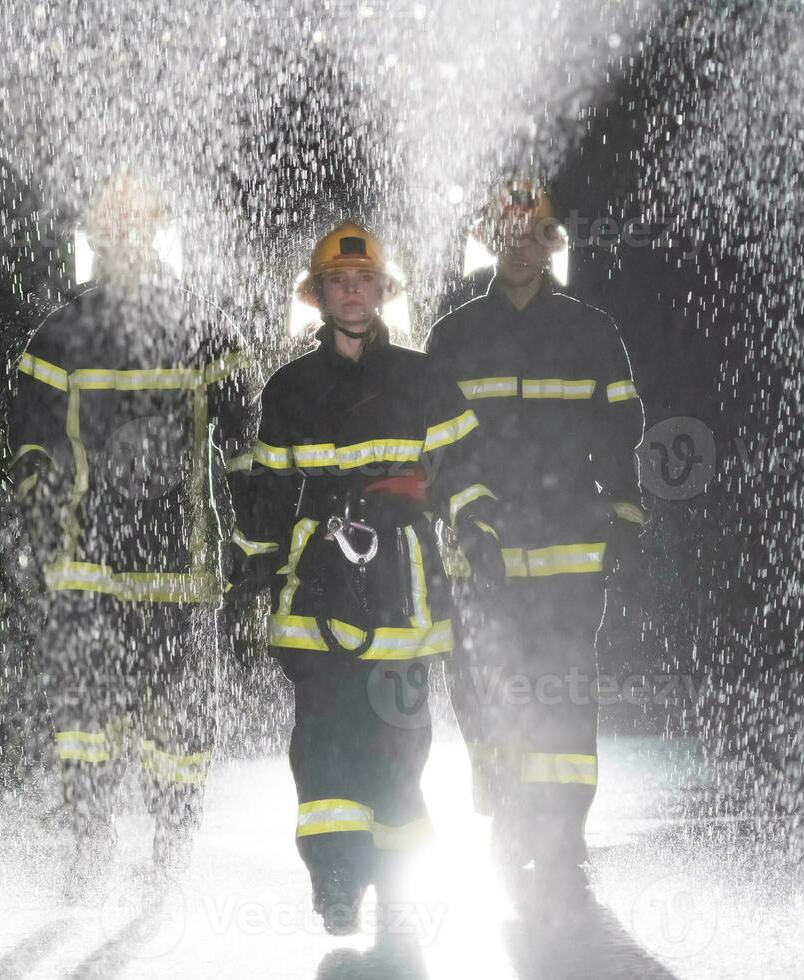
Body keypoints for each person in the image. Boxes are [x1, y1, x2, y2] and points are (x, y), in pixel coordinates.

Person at [232, 220, 502, 935]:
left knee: (400, 749)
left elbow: (464, 474)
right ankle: (338, 885)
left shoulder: (423, 378)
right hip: (317, 588)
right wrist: (250, 574)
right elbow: (265, 496)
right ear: (319, 296)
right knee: (322, 745)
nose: (352, 293)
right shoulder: (288, 389)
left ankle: (397, 888)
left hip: (404, 591)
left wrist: (477, 528)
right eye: (338, 282)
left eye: (365, 281)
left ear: (383, 292)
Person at [6, 169, 256, 901]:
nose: (125, 246)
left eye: (135, 233)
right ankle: (89, 843)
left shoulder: (204, 328)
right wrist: (34, 518)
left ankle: (172, 845)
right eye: (112, 235)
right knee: (85, 717)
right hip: (88, 563)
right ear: (98, 242)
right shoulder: (60, 333)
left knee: (181, 720)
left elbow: (248, 443)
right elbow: (28, 440)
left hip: (179, 565)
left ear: (154, 237)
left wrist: (256, 538)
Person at [425, 178, 647, 902]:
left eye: (533, 233)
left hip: (567, 546)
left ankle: (557, 830)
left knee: (563, 687)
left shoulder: (591, 332)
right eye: (507, 233)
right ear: (491, 242)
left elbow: (620, 428)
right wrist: (464, 511)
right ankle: (506, 807)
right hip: (477, 544)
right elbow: (437, 445)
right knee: (481, 688)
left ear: (552, 244)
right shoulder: (453, 336)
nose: (520, 246)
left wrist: (622, 510)